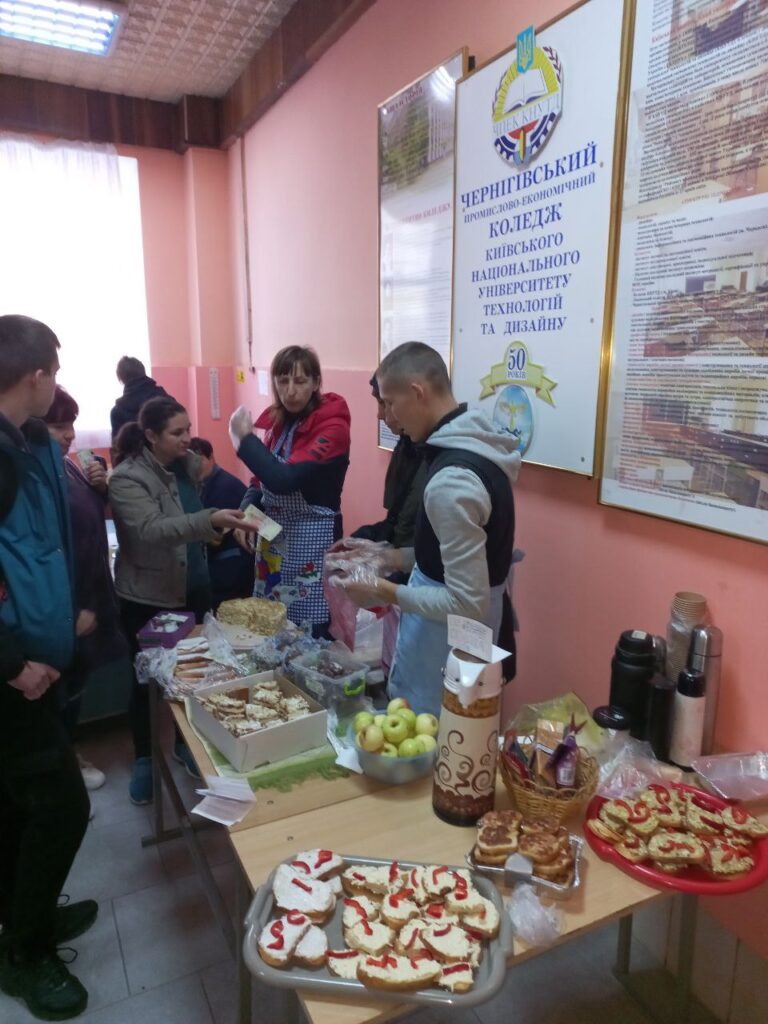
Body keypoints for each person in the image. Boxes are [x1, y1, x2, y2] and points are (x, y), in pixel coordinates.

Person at [342, 342, 520, 716]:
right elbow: (448, 556)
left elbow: (468, 603)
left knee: (437, 740)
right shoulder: (480, 446)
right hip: (468, 646)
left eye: (390, 403)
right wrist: (387, 557)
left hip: (447, 655)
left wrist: (383, 590)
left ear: (417, 392)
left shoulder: (452, 481)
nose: (388, 416)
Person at [0, 314, 94, 1021]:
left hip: (31, 660)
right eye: (53, 374)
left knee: (18, 805)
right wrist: (13, 663)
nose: (55, 386)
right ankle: (25, 955)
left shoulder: (21, 440)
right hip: (12, 675)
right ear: (35, 376)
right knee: (64, 806)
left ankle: (22, 916)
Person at [109, 397, 256, 804]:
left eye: (188, 428)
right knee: (147, 681)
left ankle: (184, 745)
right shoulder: (127, 478)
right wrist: (210, 519)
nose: (187, 438)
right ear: (151, 435)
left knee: (192, 676)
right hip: (150, 598)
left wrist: (216, 527)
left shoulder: (188, 466)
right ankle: (145, 757)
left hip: (194, 588)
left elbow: (191, 521)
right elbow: (151, 530)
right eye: (177, 432)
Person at [229, 345, 351, 634]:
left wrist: (243, 439)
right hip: (274, 541)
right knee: (270, 627)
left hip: (313, 542)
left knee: (309, 634)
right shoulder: (278, 424)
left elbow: (283, 479)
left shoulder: (333, 428)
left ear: (316, 382)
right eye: (283, 381)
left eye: (300, 381)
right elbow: (260, 480)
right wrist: (247, 512)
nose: (291, 391)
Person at [43, 385, 128, 790]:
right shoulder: (33, 478)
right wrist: (68, 611)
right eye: (58, 426)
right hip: (65, 607)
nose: (70, 434)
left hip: (90, 596)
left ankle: (67, 758)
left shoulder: (69, 466)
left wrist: (100, 488)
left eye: (72, 425)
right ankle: (60, 774)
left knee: (74, 686)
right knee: (55, 693)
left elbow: (91, 517)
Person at [350, 373, 426, 552]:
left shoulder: (440, 457)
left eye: (386, 403)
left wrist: (394, 560)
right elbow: (397, 520)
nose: (380, 415)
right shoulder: (406, 443)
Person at [188, 436, 255, 607]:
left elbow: (215, 539)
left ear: (211, 457)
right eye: (190, 462)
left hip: (232, 567)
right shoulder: (205, 483)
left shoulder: (224, 487)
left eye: (199, 460)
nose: (195, 466)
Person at [109, 355, 170, 439]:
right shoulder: (166, 399)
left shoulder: (118, 412)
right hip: (168, 447)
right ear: (143, 371)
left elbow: (118, 445)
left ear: (121, 378)